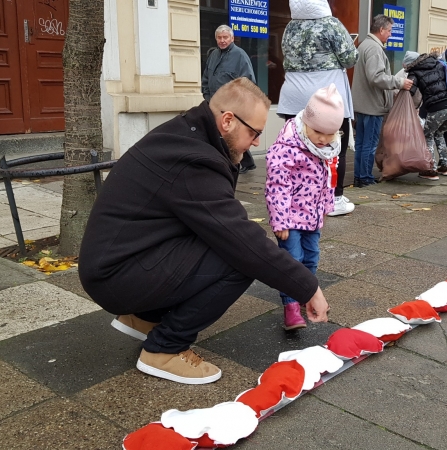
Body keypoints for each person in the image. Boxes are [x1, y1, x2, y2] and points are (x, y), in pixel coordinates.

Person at [78, 78, 330, 385]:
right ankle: (165, 349)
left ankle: (144, 319)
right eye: (254, 133)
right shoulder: (195, 160)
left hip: (117, 261)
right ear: (228, 121)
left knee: (222, 241)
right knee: (239, 257)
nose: (255, 143)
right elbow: (242, 240)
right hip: (116, 276)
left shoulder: (188, 135)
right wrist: (308, 287)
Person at [266, 85, 343, 330]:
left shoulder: (325, 148)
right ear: (306, 123)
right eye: (318, 131)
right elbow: (277, 185)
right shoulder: (287, 148)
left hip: (312, 216)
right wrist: (280, 220)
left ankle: (306, 294)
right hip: (289, 219)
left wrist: (326, 207)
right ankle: (290, 306)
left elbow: (328, 180)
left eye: (329, 134)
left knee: (311, 258)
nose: (323, 139)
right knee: (292, 260)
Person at [277, 0, 358, 216]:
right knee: (334, 147)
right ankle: (334, 199)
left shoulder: (289, 27)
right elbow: (350, 58)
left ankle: (299, 197)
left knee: (296, 148)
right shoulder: (331, 24)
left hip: (293, 95)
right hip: (326, 93)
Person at [351, 14, 413, 188]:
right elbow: (376, 77)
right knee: (369, 145)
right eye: (390, 30)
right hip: (372, 105)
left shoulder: (365, 44)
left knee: (361, 144)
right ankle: (365, 178)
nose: (391, 34)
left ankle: (359, 177)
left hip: (363, 104)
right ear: (381, 30)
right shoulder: (374, 48)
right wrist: (399, 82)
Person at [201, 25, 258, 174]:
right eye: (219, 38)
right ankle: (243, 162)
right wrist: (206, 95)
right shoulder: (213, 55)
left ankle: (241, 162)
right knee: (222, 133)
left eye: (225, 37)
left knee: (231, 134)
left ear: (232, 38)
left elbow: (248, 81)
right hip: (214, 102)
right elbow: (206, 77)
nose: (222, 40)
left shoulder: (240, 55)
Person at [405, 52, 447, 179]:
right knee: (438, 133)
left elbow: (409, 91)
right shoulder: (437, 63)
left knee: (426, 135)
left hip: (437, 108)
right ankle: (445, 166)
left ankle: (430, 169)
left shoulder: (415, 71)